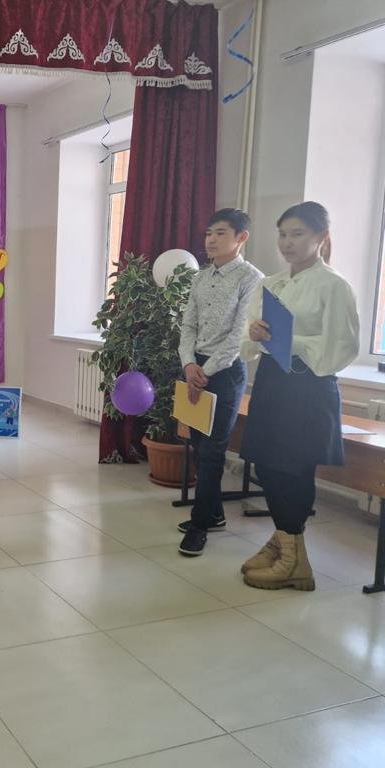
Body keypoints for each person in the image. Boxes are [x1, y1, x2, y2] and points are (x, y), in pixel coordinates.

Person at [238, 201, 359, 590]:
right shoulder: (271, 283)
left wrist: (291, 341)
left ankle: (295, 560)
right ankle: (284, 542)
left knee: (293, 468)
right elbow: (247, 341)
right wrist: (254, 334)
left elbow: (342, 347)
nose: (287, 242)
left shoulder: (333, 285)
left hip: (308, 387)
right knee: (266, 465)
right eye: (283, 234)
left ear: (321, 237)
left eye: (297, 234)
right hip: (272, 381)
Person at [176, 209, 264, 557]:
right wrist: (188, 364)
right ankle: (214, 514)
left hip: (226, 373)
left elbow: (239, 335)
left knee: (213, 451)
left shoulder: (252, 279)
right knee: (198, 447)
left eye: (221, 233)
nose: (211, 240)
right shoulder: (201, 277)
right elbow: (188, 325)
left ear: (242, 237)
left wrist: (206, 371)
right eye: (209, 233)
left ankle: (199, 526)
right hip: (194, 368)